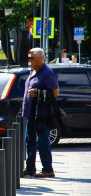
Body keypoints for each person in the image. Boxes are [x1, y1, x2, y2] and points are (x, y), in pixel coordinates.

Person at [22, 47, 59, 178]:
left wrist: (37, 93)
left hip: (41, 113)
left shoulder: (47, 72)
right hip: (30, 112)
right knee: (29, 139)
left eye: (31, 58)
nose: (29, 60)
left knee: (42, 140)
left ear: (40, 59)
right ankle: (30, 168)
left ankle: (48, 169)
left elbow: (55, 93)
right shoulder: (33, 70)